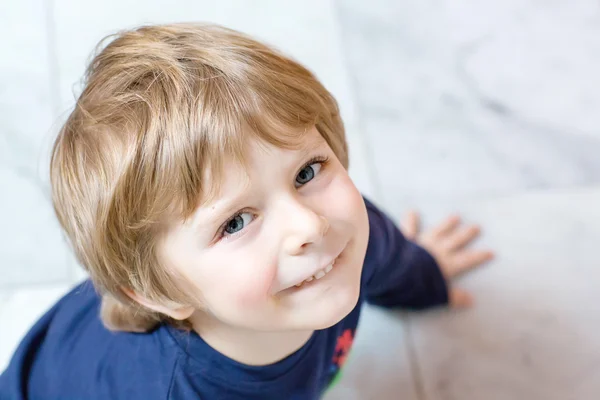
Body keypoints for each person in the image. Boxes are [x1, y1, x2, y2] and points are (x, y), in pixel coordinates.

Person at [0, 23, 494, 400]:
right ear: (159, 292)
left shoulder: (343, 239)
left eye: (306, 172)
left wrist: (426, 277)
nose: (309, 225)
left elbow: (391, 263)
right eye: (235, 222)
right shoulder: (165, 389)